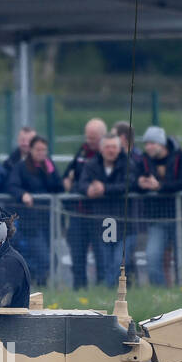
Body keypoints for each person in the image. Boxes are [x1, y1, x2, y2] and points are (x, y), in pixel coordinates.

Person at [134, 125, 182, 287]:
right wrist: (140, 184)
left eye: (152, 143)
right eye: (146, 144)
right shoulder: (144, 161)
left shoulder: (181, 158)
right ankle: (161, 294)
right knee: (152, 256)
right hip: (157, 218)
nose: (148, 147)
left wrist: (159, 186)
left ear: (161, 144)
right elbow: (133, 180)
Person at [75, 132, 132, 284]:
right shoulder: (91, 164)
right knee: (104, 261)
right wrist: (88, 190)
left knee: (118, 261)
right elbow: (81, 184)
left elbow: (129, 185)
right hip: (101, 221)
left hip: (125, 222)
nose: (111, 150)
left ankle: (120, 292)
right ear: (101, 149)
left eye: (114, 147)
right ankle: (107, 292)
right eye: (107, 147)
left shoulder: (128, 164)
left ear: (119, 148)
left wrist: (104, 189)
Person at [6, 135, 60, 286]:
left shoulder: (48, 166)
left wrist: (51, 172)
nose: (41, 153)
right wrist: (23, 194)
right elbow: (12, 185)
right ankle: (36, 284)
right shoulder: (21, 167)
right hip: (31, 222)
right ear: (31, 150)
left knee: (50, 258)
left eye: (44, 150)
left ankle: (40, 285)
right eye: (38, 149)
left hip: (48, 220)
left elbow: (58, 187)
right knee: (44, 258)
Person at [62, 118, 106, 288]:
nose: (89, 141)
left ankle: (103, 289)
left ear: (102, 137)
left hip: (98, 215)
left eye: (93, 138)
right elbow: (68, 175)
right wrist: (67, 181)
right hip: (78, 214)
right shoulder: (81, 153)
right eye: (87, 137)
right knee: (77, 255)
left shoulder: (106, 155)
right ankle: (79, 289)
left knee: (101, 255)